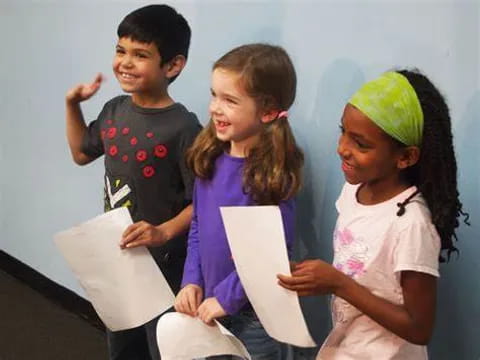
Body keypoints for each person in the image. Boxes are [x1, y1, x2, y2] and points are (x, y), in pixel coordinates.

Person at [278, 69, 469, 359]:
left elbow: (419, 328)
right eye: (343, 132)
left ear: (405, 157)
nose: (343, 149)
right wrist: (304, 275)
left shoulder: (411, 225)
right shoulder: (352, 192)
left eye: (361, 143)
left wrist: (338, 284)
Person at [65, 4, 201, 360]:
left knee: (164, 348)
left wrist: (165, 231)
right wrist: (72, 105)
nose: (125, 62)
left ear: (172, 65)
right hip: (120, 260)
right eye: (120, 50)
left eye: (140, 54)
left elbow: (203, 201)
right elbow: (81, 153)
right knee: (122, 346)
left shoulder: (184, 128)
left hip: (165, 269)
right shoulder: (114, 109)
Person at [174, 43, 304, 359]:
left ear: (269, 111)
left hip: (254, 316)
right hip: (211, 303)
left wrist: (227, 299)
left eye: (230, 100)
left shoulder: (272, 177)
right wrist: (191, 281)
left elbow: (270, 257)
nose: (215, 108)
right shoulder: (209, 158)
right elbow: (198, 227)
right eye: (214, 95)